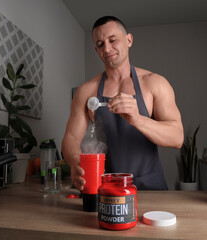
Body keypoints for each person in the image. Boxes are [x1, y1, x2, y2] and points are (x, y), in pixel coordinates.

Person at [62, 16, 183, 190]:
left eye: (112, 40)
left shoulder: (155, 83)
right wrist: (75, 163)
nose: (107, 48)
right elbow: (71, 138)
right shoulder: (86, 91)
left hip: (151, 188)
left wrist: (138, 119)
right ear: (96, 50)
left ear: (129, 40)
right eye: (100, 44)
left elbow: (177, 137)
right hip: (107, 189)